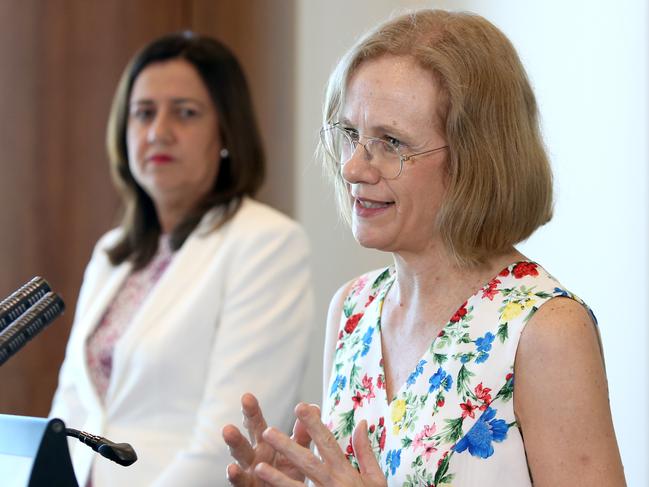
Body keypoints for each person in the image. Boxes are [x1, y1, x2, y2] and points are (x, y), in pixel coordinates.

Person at [222, 9, 626, 486]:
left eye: (391, 142)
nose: (353, 168)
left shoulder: (545, 330)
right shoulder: (352, 309)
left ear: (477, 159)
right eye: (351, 133)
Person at [49, 32, 314, 487]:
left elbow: (224, 443)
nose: (158, 131)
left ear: (227, 132)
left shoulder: (267, 243)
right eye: (144, 113)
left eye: (185, 113)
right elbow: (68, 411)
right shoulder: (113, 254)